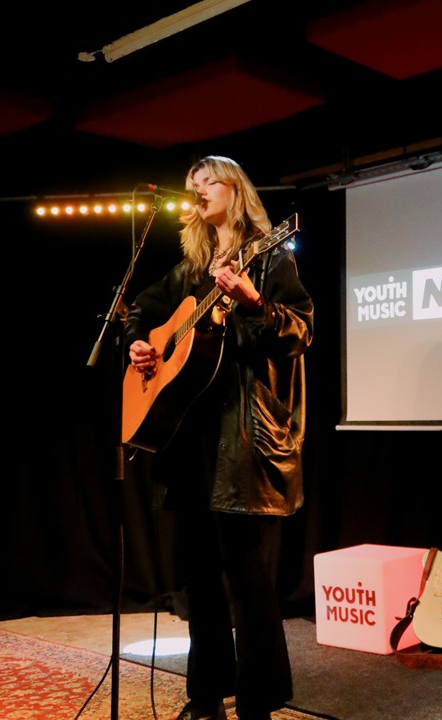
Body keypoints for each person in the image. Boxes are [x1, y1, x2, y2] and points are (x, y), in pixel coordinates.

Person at [125, 156, 313, 720]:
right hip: (191, 438)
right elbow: (143, 308)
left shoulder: (270, 253)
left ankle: (259, 698)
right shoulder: (192, 267)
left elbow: (300, 329)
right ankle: (205, 693)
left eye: (206, 182)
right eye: (191, 186)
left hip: (241, 437)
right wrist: (140, 342)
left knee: (244, 572)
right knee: (198, 576)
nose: (197, 191)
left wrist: (252, 300)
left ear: (234, 190)